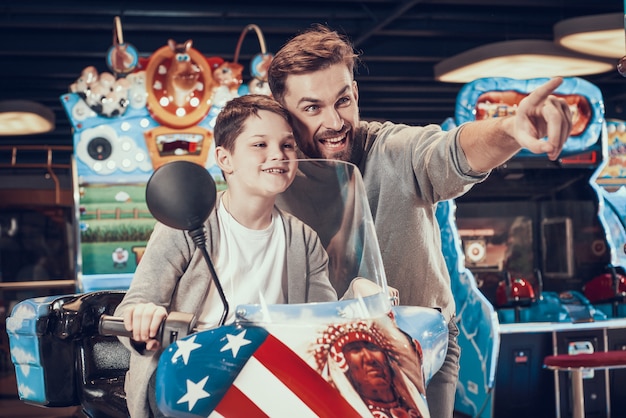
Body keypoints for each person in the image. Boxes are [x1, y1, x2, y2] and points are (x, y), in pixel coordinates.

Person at [267, 24, 573, 417]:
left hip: (418, 340)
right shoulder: (274, 177)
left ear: (355, 95)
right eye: (312, 108)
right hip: (317, 349)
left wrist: (512, 129)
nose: (334, 121)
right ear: (284, 113)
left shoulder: (392, 149)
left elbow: (452, 151)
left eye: (342, 101)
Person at [115, 94, 389, 418]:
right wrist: (143, 318)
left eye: (287, 145)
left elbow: (319, 322)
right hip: (190, 382)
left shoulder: (304, 239)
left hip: (272, 380)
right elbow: (131, 309)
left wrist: (358, 296)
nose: (278, 154)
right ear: (225, 158)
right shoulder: (188, 224)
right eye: (260, 144)